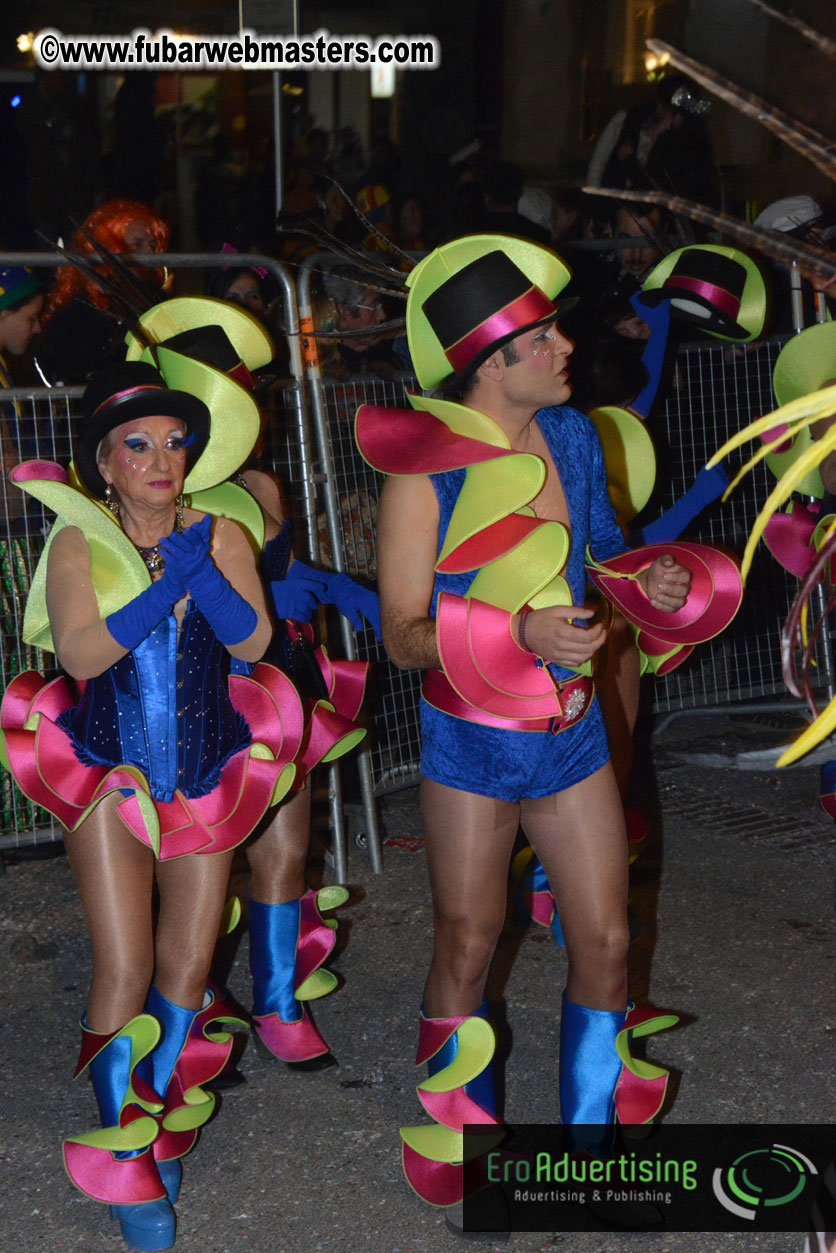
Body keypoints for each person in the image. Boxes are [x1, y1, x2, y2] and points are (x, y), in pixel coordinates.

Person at [355, 236, 701, 1223]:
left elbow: (601, 559)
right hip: (472, 738)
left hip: (574, 729)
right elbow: (403, 634)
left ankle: (591, 1150)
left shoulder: (579, 439)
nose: (563, 345)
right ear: (488, 361)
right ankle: (457, 1130)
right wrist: (513, 627)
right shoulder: (424, 472)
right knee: (468, 939)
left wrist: (650, 581)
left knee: (605, 933)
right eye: (541, 334)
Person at [1, 352, 304, 1251]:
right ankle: (124, 1153)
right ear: (104, 460)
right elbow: (85, 657)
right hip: (107, 778)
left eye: (176, 441)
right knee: (125, 966)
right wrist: (165, 589)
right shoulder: (77, 542)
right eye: (138, 443)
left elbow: (256, 641)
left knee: (185, 967)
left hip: (206, 778)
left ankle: (157, 1108)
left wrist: (202, 576)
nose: (161, 459)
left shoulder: (226, 534)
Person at [121, 296, 378, 1071]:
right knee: (190, 851)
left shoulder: (261, 485)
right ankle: (189, 992)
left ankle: (276, 1001)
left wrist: (326, 584)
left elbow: (279, 568)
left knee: (286, 843)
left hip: (279, 677)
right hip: (194, 689)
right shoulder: (156, 492)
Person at [36, 199, 170, 385]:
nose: (149, 253)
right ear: (110, 248)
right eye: (137, 245)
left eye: (153, 245)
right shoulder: (77, 310)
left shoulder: (161, 301)